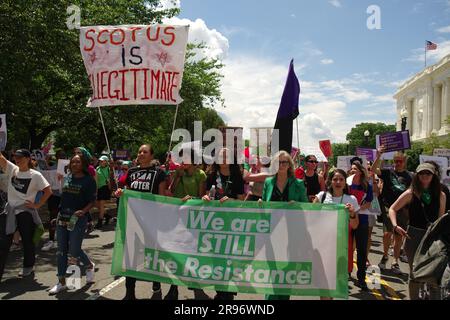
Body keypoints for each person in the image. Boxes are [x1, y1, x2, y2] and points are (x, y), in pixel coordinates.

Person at [115, 144, 167, 300]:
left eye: (145, 152)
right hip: (133, 218)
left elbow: (162, 197)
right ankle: (129, 292)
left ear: (151, 156)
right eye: (139, 151)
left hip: (152, 221)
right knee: (131, 256)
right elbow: (127, 192)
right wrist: (120, 192)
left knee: (152, 255)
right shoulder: (131, 172)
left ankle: (156, 284)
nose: (142, 154)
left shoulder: (159, 173)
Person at [389, 163, 446, 300]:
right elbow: (392, 209)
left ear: (434, 176)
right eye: (421, 173)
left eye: (428, 174)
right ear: (417, 175)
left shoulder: (441, 195)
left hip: (433, 237)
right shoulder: (410, 193)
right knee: (415, 274)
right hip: (413, 235)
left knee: (434, 274)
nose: (425, 176)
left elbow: (441, 219)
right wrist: (396, 226)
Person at [258, 151, 308, 300]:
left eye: (284, 162)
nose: (281, 165)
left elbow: (306, 206)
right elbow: (265, 206)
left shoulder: (298, 183)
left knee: (286, 270)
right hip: (272, 232)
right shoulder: (268, 182)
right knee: (272, 269)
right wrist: (261, 205)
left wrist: (297, 204)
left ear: (289, 165)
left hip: (291, 233)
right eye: (278, 162)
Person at [48, 154, 97, 294]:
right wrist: (57, 216)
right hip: (62, 217)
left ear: (84, 164)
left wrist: (83, 211)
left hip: (78, 219)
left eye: (78, 162)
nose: (74, 164)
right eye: (72, 162)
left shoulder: (89, 181)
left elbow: (92, 201)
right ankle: (61, 281)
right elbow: (64, 197)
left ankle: (88, 265)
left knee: (74, 251)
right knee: (61, 251)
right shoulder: (67, 176)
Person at [0, 149, 52, 278]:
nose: (17, 159)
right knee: (3, 243)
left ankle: (28, 266)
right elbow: (1, 159)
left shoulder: (35, 175)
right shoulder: (13, 169)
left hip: (25, 213)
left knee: (27, 241)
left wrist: (37, 205)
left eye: (20, 157)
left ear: (28, 158)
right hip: (10, 211)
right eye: (15, 156)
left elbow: (48, 191)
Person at [202, 148, 245, 300]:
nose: (224, 158)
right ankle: (220, 290)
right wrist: (206, 198)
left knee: (230, 256)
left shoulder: (237, 176)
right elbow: (206, 194)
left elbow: (241, 200)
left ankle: (228, 290)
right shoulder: (211, 175)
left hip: (231, 222)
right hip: (215, 221)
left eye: (227, 156)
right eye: (221, 155)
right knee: (216, 257)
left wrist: (232, 201)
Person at [168, 148, 208, 300]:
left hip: (193, 216)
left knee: (191, 250)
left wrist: (190, 198)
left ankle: (194, 281)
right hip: (177, 214)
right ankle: (173, 287)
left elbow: (201, 196)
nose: (182, 161)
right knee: (175, 250)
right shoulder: (179, 173)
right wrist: (176, 175)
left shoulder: (200, 174)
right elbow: (170, 191)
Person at [313, 169, 360, 300]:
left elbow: (355, 225)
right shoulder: (321, 196)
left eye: (341, 179)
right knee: (324, 283)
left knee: (333, 283)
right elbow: (310, 216)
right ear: (330, 181)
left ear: (345, 183)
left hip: (341, 246)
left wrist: (351, 214)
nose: (338, 182)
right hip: (322, 245)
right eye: (335, 179)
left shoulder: (351, 199)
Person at [372, 149, 413, 274]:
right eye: (395, 161)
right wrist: (378, 156)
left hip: (403, 210)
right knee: (386, 234)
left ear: (404, 162)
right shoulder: (387, 172)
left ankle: (395, 261)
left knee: (398, 236)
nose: (397, 163)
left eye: (400, 161)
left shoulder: (410, 176)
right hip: (388, 208)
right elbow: (373, 170)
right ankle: (385, 256)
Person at [347, 160, 373, 291]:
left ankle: (361, 278)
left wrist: (356, 209)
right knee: (346, 248)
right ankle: (346, 273)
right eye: (351, 169)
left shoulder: (367, 186)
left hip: (362, 220)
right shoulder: (346, 184)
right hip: (346, 220)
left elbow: (368, 203)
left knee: (362, 250)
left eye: (355, 169)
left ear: (361, 171)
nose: (353, 171)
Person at [42, 150, 67, 252]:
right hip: (54, 195)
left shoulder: (71, 167)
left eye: (63, 155)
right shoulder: (52, 167)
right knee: (53, 216)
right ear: (56, 157)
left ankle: (65, 240)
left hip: (67, 195)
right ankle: (51, 240)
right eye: (60, 156)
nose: (62, 157)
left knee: (66, 217)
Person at [95, 155, 112, 229]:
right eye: (100, 160)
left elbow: (111, 179)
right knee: (96, 205)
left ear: (106, 162)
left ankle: (99, 222)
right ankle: (107, 216)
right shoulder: (97, 168)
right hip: (98, 188)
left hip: (104, 188)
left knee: (101, 205)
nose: (101, 162)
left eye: (103, 161)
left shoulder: (109, 169)